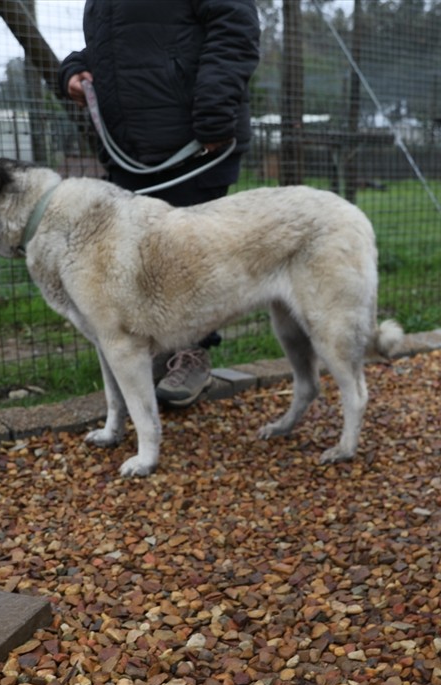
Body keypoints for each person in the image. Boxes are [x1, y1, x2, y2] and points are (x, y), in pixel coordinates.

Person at [58, 0, 261, 408]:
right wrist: (74, 69)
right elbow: (122, 49)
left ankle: (193, 353)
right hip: (131, 148)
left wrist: (215, 113)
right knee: (141, 263)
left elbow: (234, 24)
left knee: (190, 259)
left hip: (193, 140)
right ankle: (159, 355)